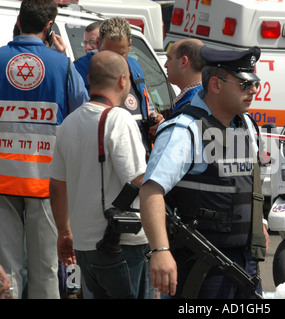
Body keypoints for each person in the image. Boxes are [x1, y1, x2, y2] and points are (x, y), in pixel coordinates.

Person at [139, 46, 270, 299]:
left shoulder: (247, 126)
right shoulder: (184, 130)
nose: (253, 91)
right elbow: (151, 191)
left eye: (255, 84)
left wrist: (260, 222)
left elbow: (250, 183)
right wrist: (161, 250)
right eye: (244, 84)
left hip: (245, 264)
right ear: (215, 85)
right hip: (201, 264)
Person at [0, 0, 88, 299]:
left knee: (5, 271)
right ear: (50, 28)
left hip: (2, 182)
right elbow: (81, 113)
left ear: (19, 22)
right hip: (47, 183)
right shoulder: (63, 66)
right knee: (47, 269)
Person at [49, 50, 153, 299]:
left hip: (84, 248)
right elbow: (138, 179)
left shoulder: (67, 124)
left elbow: (56, 185)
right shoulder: (119, 119)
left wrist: (64, 232)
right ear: (122, 80)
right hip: (122, 245)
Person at [74, 17, 162, 154]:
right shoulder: (79, 70)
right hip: (102, 156)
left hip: (140, 152)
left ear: (130, 45)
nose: (116, 61)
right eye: (109, 53)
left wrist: (155, 118)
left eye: (121, 54)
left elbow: (146, 105)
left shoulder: (135, 66)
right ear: (98, 43)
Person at [164, 38, 205, 114]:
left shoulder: (192, 104)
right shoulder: (201, 97)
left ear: (183, 62)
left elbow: (194, 125)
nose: (165, 65)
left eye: (169, 59)